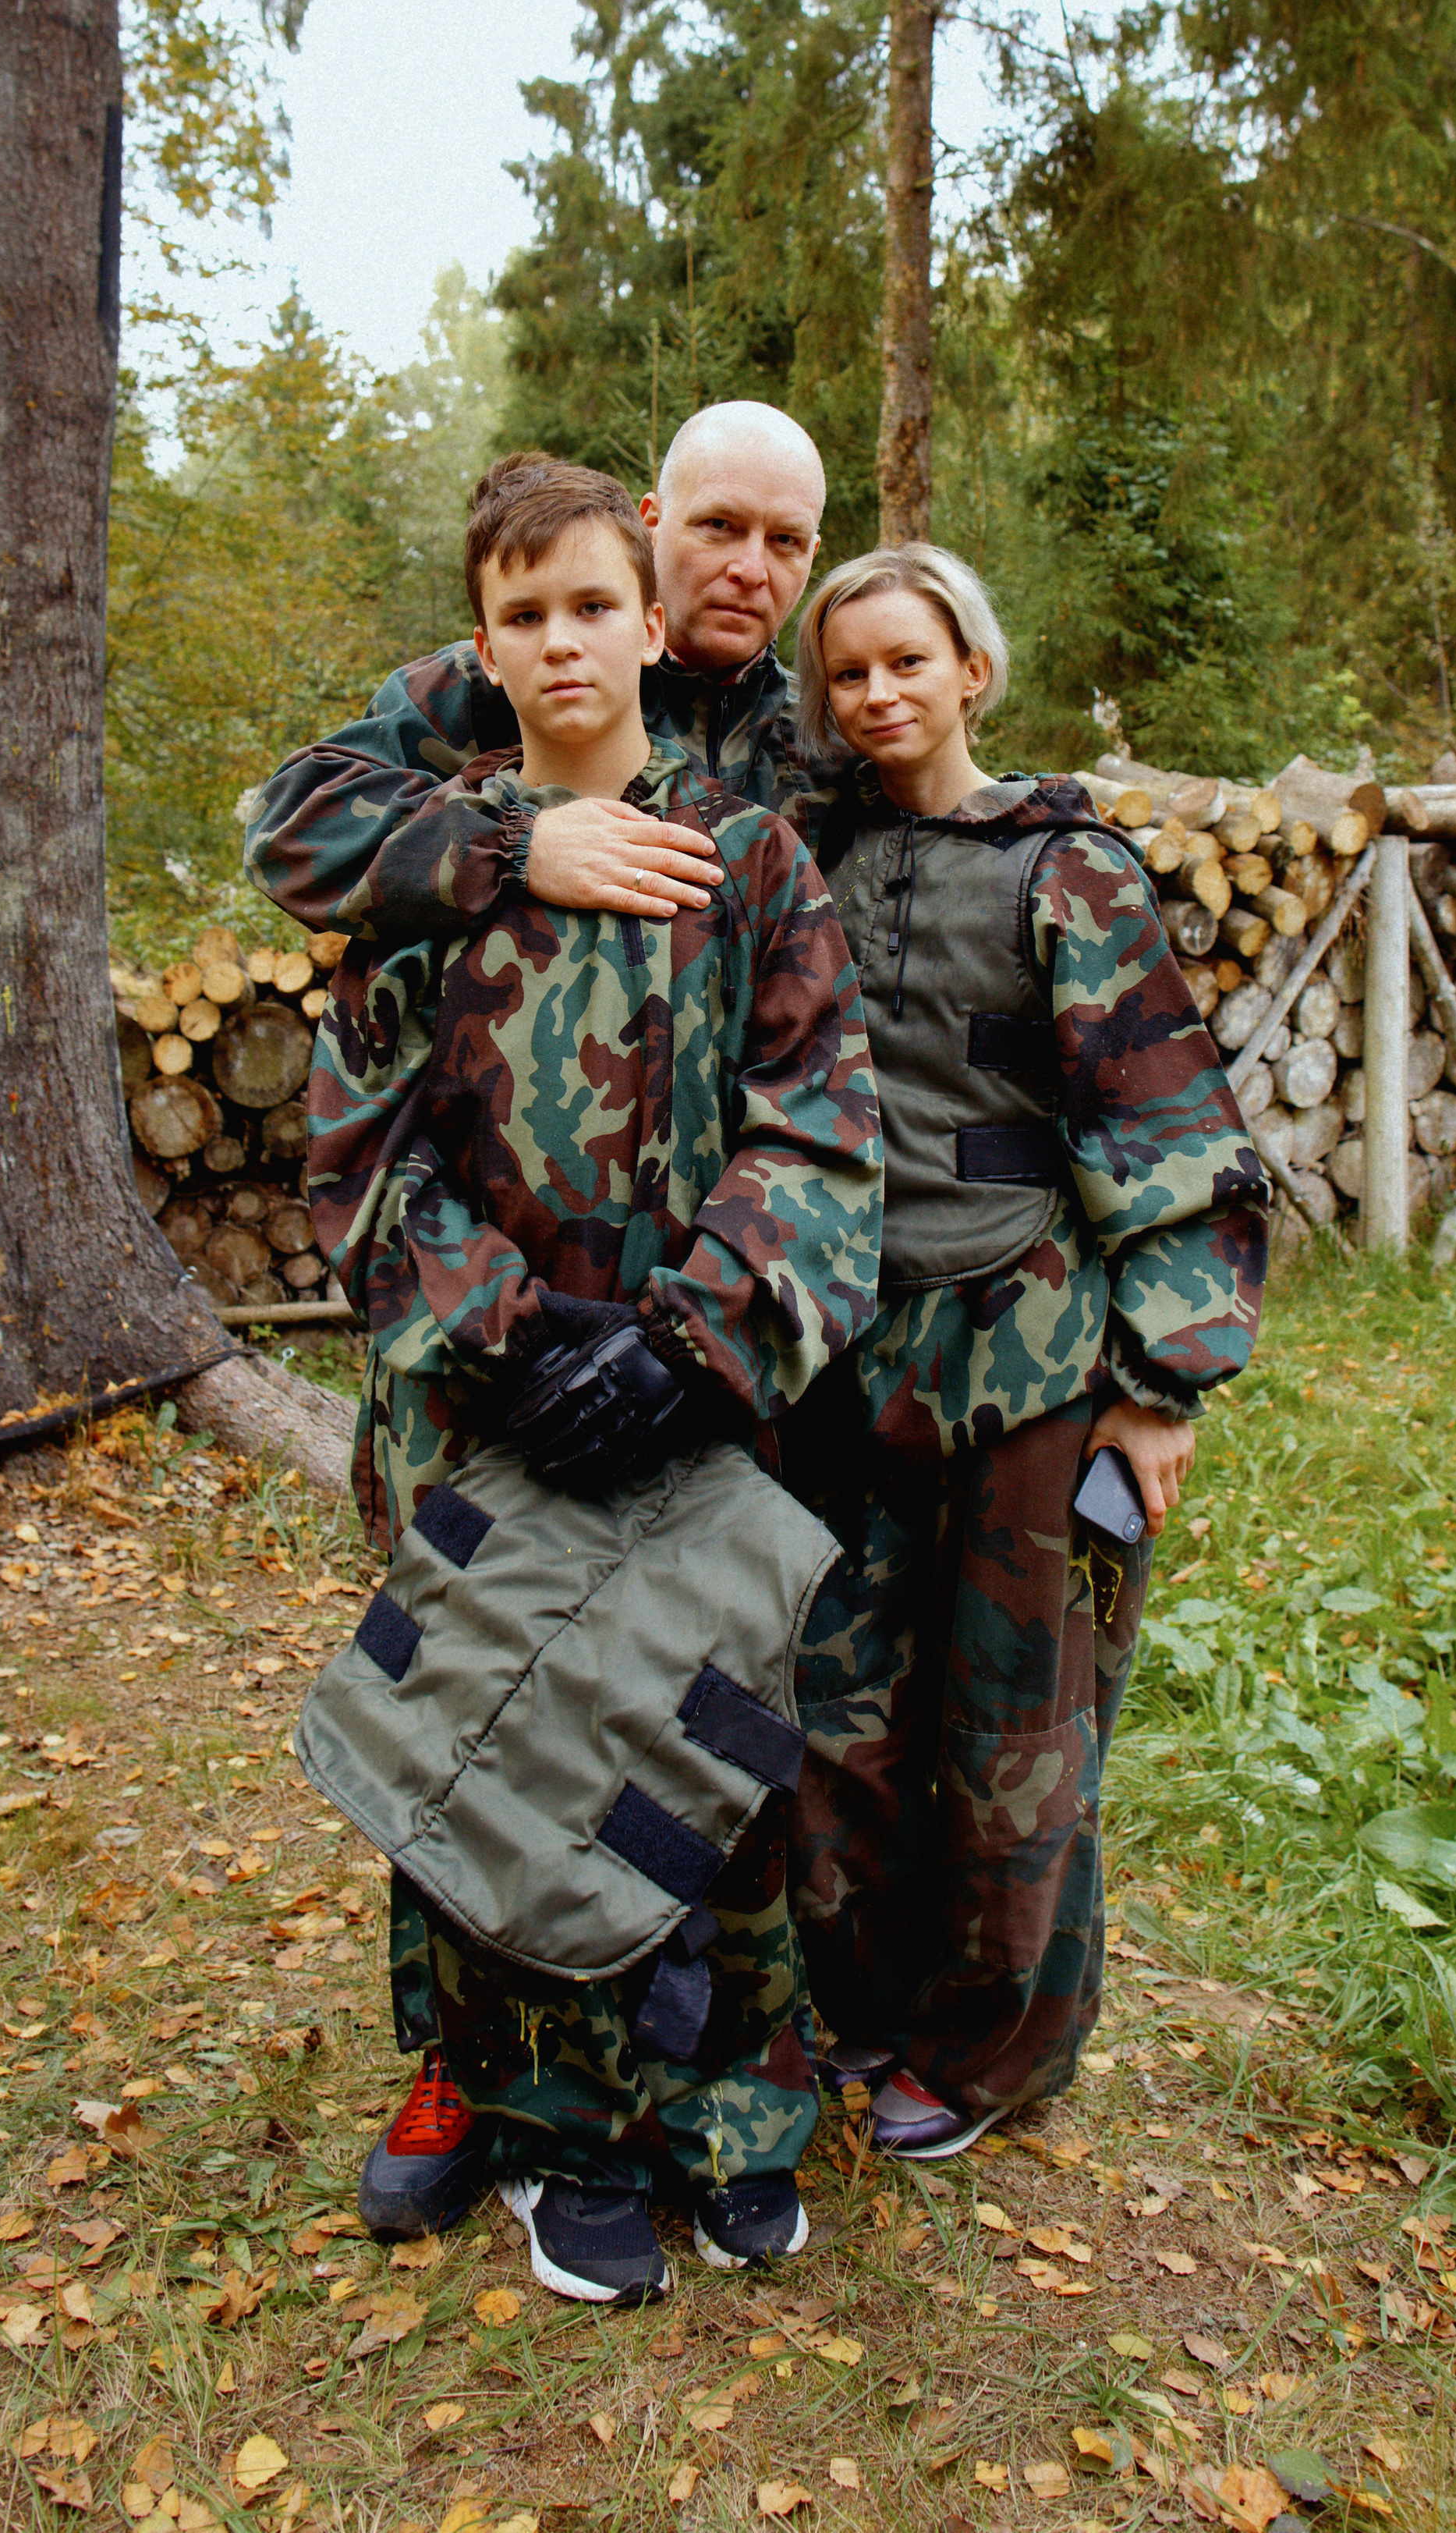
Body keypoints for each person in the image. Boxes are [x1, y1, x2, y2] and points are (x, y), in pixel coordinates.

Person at [286, 453, 881, 2304]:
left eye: (590, 607)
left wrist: (700, 1338)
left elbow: (820, 1129)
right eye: (523, 615)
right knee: (502, 1745)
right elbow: (355, 1154)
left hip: (703, 1409)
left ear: (645, 622)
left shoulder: (751, 858)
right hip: (490, 1411)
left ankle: (728, 2110)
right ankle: (542, 2125)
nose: (562, 641)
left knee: (693, 1747)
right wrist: (513, 1336)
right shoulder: (431, 864)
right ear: (481, 642)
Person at [778, 544, 1269, 2162]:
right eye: (847, 672)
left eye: (906, 662)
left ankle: (989, 2057)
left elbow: (1165, 1122)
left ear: (970, 670)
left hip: (1032, 1364)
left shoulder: (1068, 870)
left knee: (1014, 1738)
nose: (877, 695)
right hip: (848, 1357)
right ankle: (855, 2008)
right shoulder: (807, 859)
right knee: (841, 1711)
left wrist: (1157, 1386)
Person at [244, 399, 825, 942]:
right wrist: (516, 845)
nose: (750, 568)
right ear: (653, 522)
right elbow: (291, 830)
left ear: (812, 555)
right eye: (719, 526)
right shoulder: (499, 684)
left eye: (785, 541)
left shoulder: (831, 733)